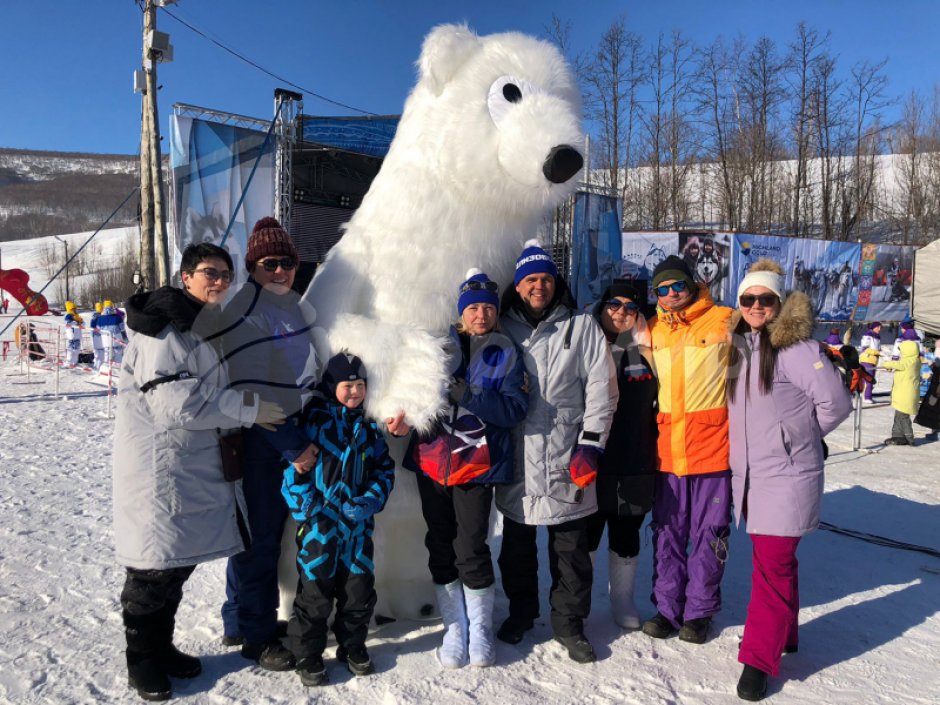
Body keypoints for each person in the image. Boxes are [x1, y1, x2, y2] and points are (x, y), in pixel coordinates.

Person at [112, 243, 285, 701]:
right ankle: (142, 661)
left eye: (226, 275)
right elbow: (177, 403)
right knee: (154, 567)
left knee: (176, 563)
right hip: (161, 466)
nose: (220, 282)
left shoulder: (203, 326)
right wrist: (250, 409)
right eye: (210, 273)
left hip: (192, 463)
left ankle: (162, 648)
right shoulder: (164, 332)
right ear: (185, 277)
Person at [726, 259, 852, 702]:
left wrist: (799, 439)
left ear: (779, 304)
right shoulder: (740, 347)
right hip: (752, 478)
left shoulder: (798, 350)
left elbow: (836, 405)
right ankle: (787, 634)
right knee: (778, 562)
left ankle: (758, 660)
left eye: (765, 299)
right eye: (748, 299)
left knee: (771, 568)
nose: (756, 306)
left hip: (787, 474)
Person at [494, 240, 618, 664]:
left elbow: (603, 390)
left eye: (546, 278)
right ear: (518, 284)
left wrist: (591, 444)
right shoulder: (501, 328)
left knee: (571, 553)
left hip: (568, 455)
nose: (539, 286)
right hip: (518, 458)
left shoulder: (581, 326)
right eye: (531, 279)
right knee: (516, 547)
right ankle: (521, 612)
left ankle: (569, 625)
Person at [404, 269, 528, 669]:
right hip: (432, 461)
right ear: (461, 312)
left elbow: (513, 409)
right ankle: (454, 627)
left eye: (487, 308)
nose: (480, 315)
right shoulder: (439, 345)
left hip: (476, 465)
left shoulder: (505, 350)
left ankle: (480, 629)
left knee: (471, 546)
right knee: (440, 543)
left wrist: (469, 395)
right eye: (472, 308)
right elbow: (409, 389)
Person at [219, 216, 320, 670]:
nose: (279, 270)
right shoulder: (249, 313)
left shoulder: (289, 307)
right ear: (252, 267)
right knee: (259, 541)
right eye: (268, 263)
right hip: (265, 443)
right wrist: (293, 445)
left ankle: (239, 618)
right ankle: (256, 638)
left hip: (282, 436)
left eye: (286, 263)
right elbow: (252, 391)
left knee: (256, 536)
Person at [281, 353, 395, 687]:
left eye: (360, 385)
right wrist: (308, 506)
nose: (355, 392)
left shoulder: (369, 427)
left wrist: (371, 499)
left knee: (358, 590)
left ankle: (352, 645)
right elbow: (293, 470)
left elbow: (383, 469)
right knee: (315, 592)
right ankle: (307, 652)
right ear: (332, 386)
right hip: (320, 527)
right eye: (348, 385)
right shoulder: (312, 423)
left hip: (357, 527)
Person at [642, 255, 733, 645]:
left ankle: (699, 611)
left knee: (710, 533)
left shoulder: (725, 320)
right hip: (668, 452)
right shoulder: (649, 330)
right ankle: (667, 609)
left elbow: (768, 346)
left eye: (677, 285)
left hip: (713, 448)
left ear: (692, 284)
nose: (671, 294)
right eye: (662, 289)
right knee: (667, 533)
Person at [587, 281, 657, 630]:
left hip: (635, 456)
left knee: (626, 533)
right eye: (614, 304)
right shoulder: (585, 342)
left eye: (630, 308)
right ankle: (578, 597)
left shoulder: (650, 349)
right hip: (592, 456)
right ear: (602, 306)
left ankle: (622, 598)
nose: (621, 312)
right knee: (585, 534)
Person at [881, 337, 922, 446]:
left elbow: (898, 365)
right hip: (904, 394)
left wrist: (886, 364)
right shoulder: (914, 361)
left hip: (906, 395)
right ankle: (898, 436)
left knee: (903, 416)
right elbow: (901, 365)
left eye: (902, 350)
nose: (900, 352)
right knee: (899, 415)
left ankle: (909, 437)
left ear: (908, 351)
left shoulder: (910, 362)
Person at [98, 299, 128, 370]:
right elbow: (122, 329)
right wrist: (125, 338)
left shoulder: (100, 318)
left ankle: (106, 370)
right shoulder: (117, 318)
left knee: (107, 355)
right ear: (112, 307)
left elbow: (98, 330)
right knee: (118, 355)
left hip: (105, 341)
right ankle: (118, 370)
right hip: (116, 340)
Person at [858, 321, 882, 403]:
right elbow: (865, 348)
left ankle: (868, 396)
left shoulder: (877, 337)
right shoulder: (868, 335)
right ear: (873, 327)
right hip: (866, 359)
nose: (879, 329)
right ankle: (866, 397)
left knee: (871, 379)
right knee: (868, 379)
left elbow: (877, 349)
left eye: (880, 327)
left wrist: (882, 352)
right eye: (878, 327)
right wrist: (878, 352)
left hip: (873, 360)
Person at [62, 301, 83, 368]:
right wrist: (76, 323)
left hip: (77, 336)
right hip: (72, 336)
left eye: (75, 309)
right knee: (70, 350)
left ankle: (74, 363)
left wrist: (80, 324)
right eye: (73, 309)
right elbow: (68, 323)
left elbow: (83, 323)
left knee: (76, 350)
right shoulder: (68, 316)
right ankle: (69, 362)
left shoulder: (77, 316)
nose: (75, 310)